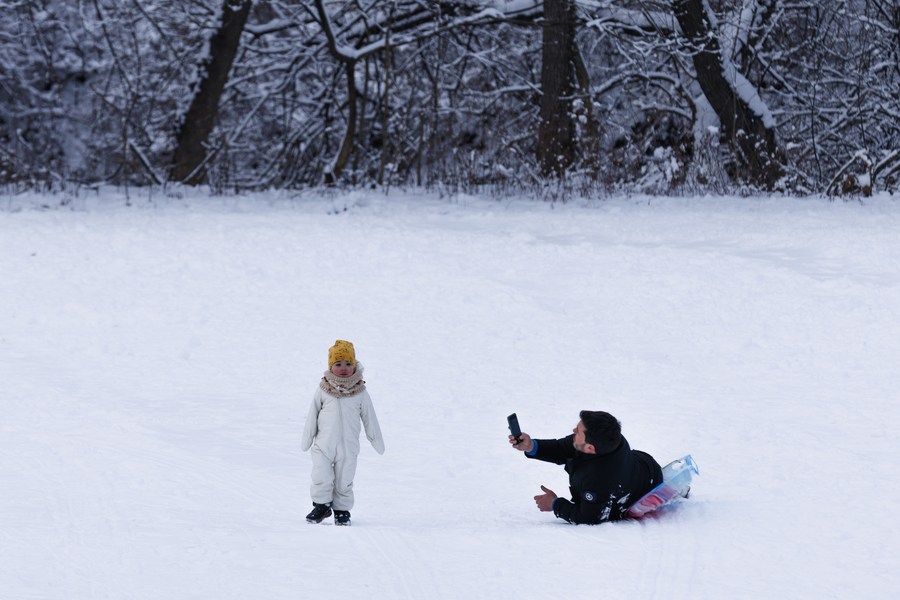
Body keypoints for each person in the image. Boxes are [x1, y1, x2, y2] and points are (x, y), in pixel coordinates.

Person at [509, 410, 662, 524]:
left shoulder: (599, 480)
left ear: (590, 448)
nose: (573, 431)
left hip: (648, 482)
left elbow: (589, 518)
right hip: (642, 463)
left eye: (578, 432)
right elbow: (561, 448)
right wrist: (531, 446)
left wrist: (555, 504)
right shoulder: (606, 438)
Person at [301, 340, 384, 526]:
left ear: (354, 365)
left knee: (344, 480)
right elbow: (312, 415)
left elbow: (370, 418)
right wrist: (307, 437)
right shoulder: (323, 390)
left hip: (348, 448)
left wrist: (376, 439)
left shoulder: (360, 392)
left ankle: (341, 510)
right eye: (338, 364)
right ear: (331, 366)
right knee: (321, 475)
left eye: (348, 363)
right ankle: (321, 506)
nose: (344, 368)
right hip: (323, 445)